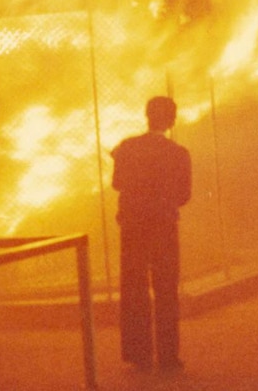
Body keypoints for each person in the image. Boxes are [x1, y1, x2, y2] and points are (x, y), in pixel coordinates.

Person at [111, 96, 192, 372]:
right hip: (163, 228)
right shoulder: (179, 153)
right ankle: (168, 357)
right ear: (171, 121)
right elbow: (184, 196)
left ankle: (138, 354)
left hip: (133, 227)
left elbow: (116, 183)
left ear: (147, 116)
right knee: (166, 290)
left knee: (134, 288)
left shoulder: (127, 147)